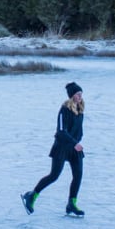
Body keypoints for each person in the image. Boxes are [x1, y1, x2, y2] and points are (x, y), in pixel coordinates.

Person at [22, 82, 86, 217]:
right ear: (71, 96)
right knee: (54, 176)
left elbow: (79, 131)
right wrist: (74, 143)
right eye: (77, 94)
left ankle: (71, 203)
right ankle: (31, 196)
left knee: (78, 175)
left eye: (81, 94)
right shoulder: (64, 110)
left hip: (74, 148)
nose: (80, 96)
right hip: (61, 147)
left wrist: (77, 141)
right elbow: (61, 131)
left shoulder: (80, 110)